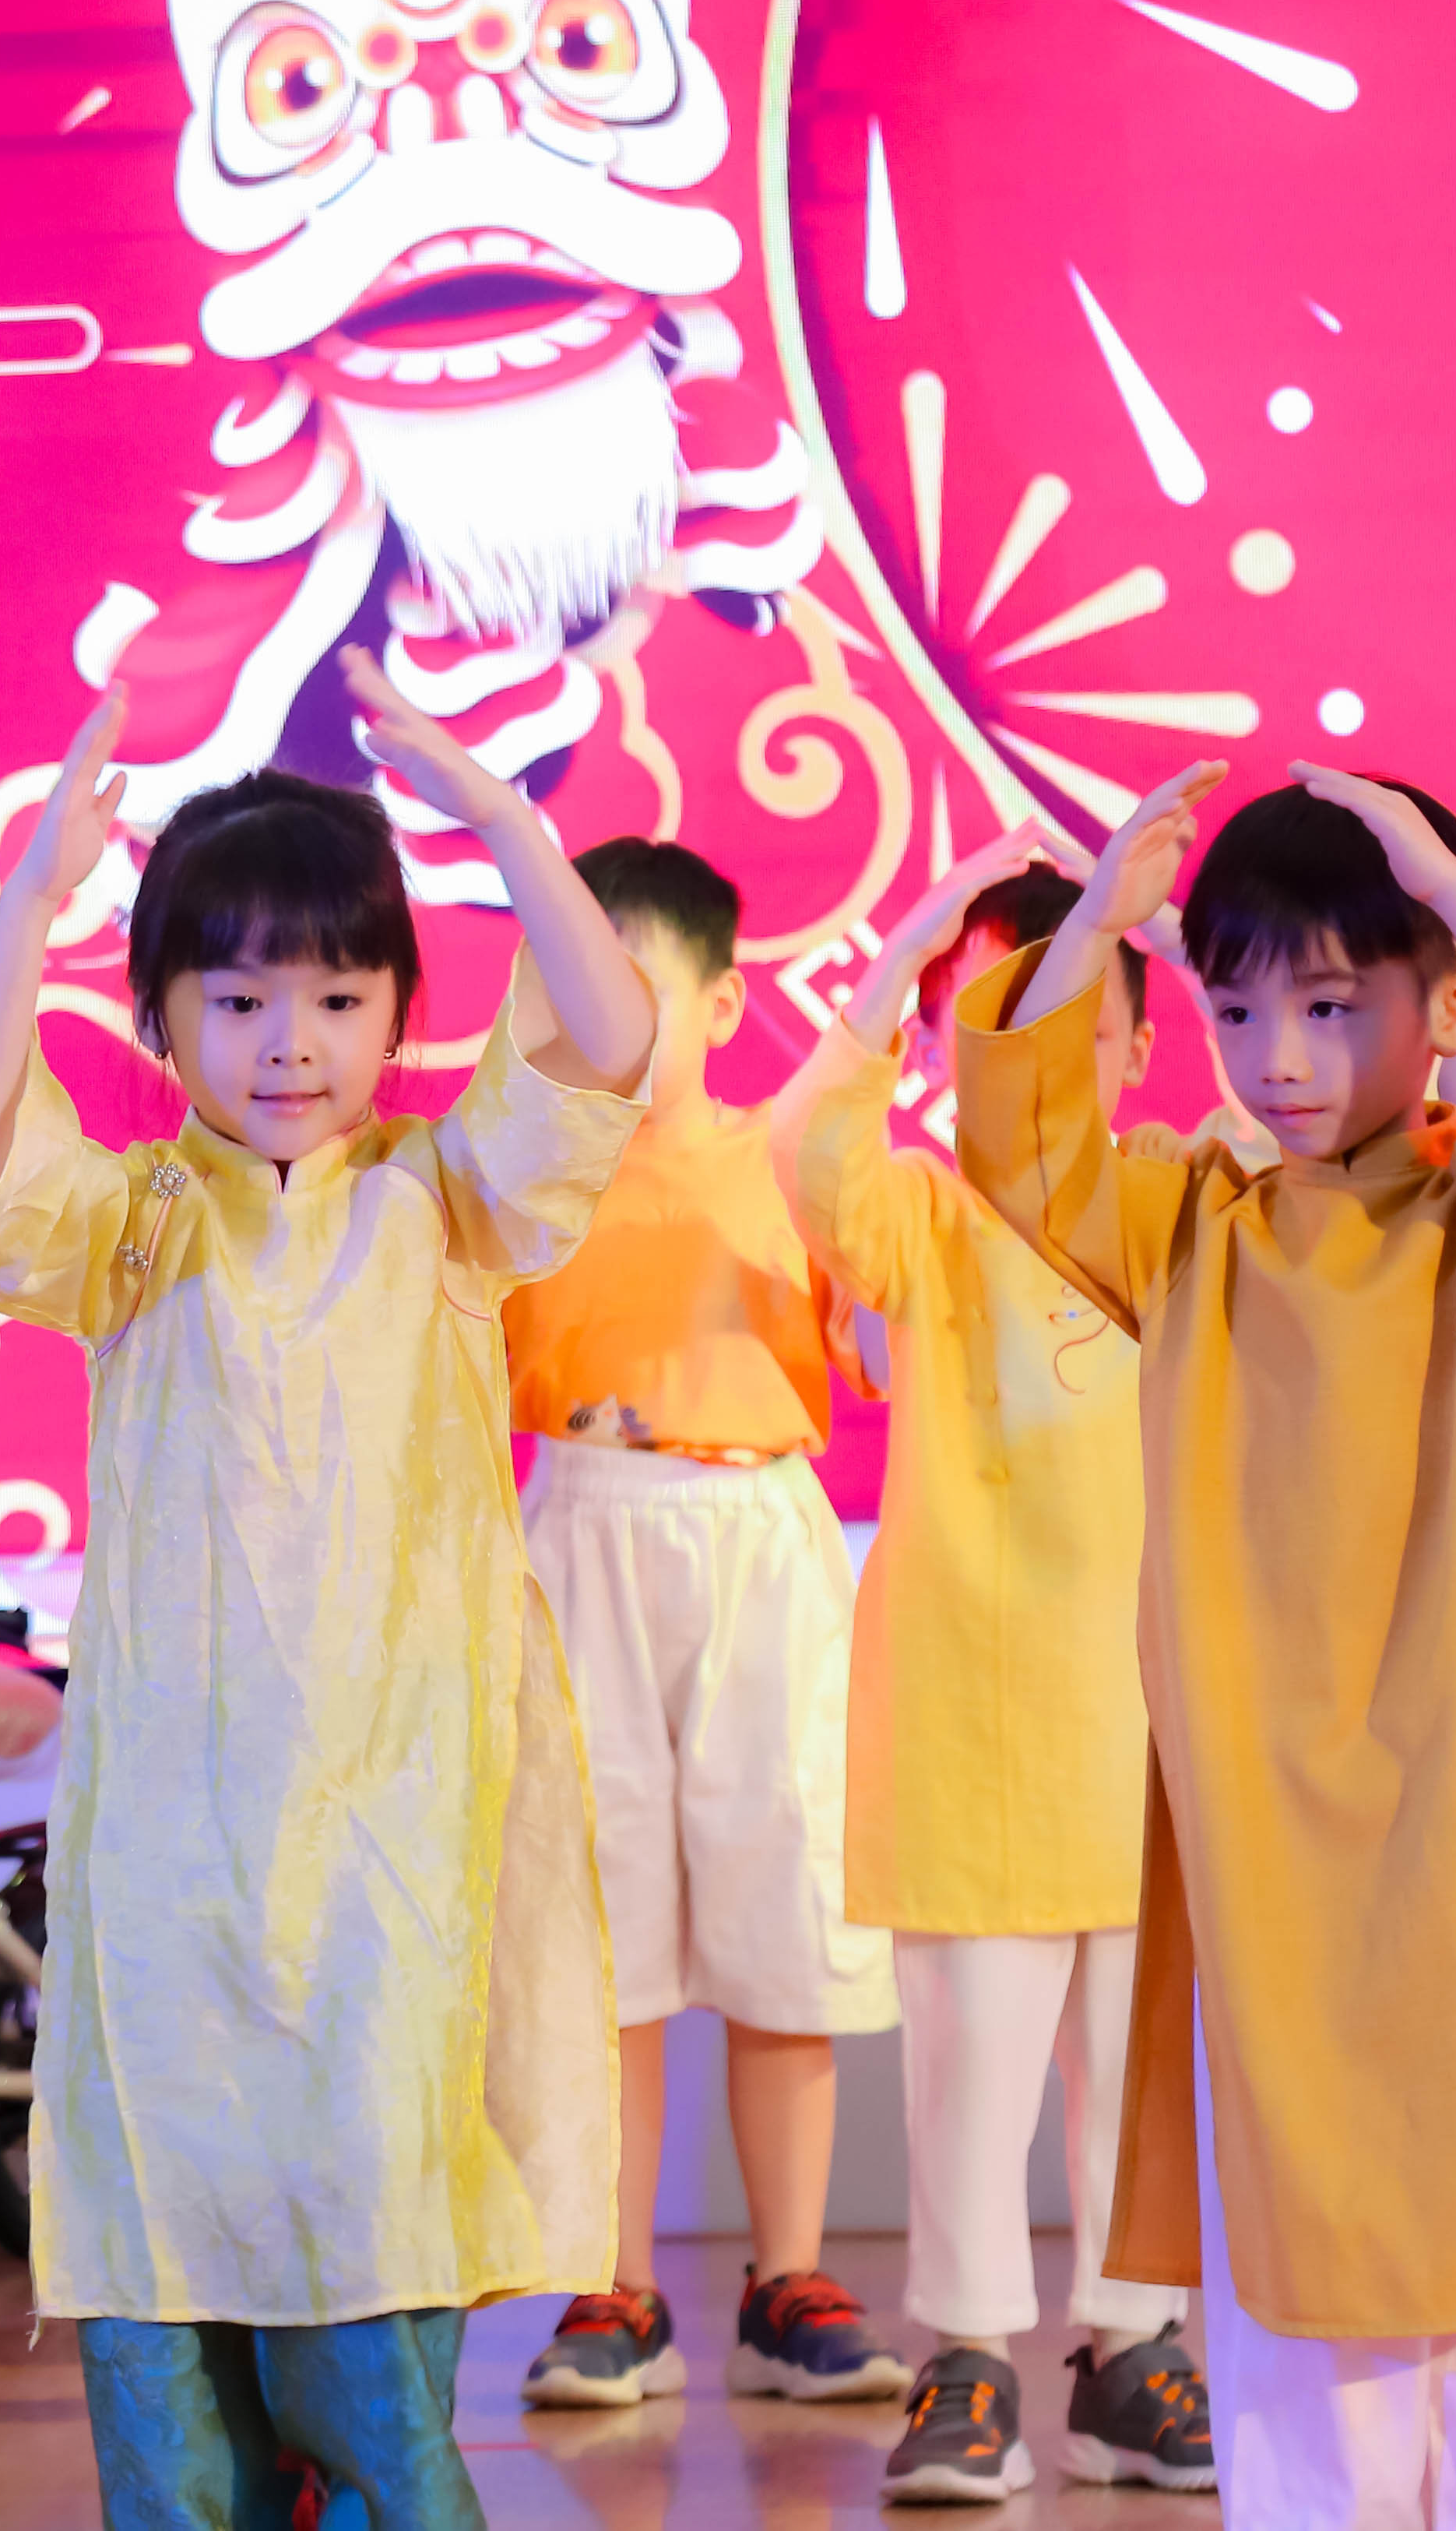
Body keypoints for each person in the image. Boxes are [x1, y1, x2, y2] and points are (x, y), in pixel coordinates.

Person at [0, 651, 652, 2530]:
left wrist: (505, 825)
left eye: (336, 993)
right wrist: (27, 901)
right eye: (236, 997)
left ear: (401, 1003)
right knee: (169, 2245)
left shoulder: (445, 1197)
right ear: (161, 1017)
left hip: (397, 1843)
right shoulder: (135, 1219)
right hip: (175, 1861)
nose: (289, 1040)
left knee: (373, 2236)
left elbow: (605, 1040)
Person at [954, 759, 1456, 2530]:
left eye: (1334, 1005)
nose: (1279, 1057)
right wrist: (1093, 926)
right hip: (1265, 1834)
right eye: (1237, 1009)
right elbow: (1018, 1143)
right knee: (1289, 2253)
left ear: (1445, 1009)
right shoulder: (1189, 1223)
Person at [754, 829, 1215, 2503]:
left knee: (1137, 2071)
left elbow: (1293, 1143)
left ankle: (1132, 2350)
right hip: (969, 1713)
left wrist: (1179, 939)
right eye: (988, 1018)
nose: (1028, 1052)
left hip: (1151, 1719)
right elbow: (807, 1148)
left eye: (1077, 1019)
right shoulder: (924, 1215)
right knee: (967, 2072)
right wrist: (901, 960)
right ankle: (965, 2359)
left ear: (1136, 1049)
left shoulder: (1171, 1196)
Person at [497, 836, 904, 2418]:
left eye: (630, 990)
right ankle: (614, 2282)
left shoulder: (790, 1158)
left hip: (756, 1537)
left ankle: (788, 2274)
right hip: (578, 1525)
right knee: (603, 1922)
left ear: (723, 1004)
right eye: (558, 987)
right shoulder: (523, 1171)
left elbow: (882, 1338)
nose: (590, 1021)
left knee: (780, 1897)